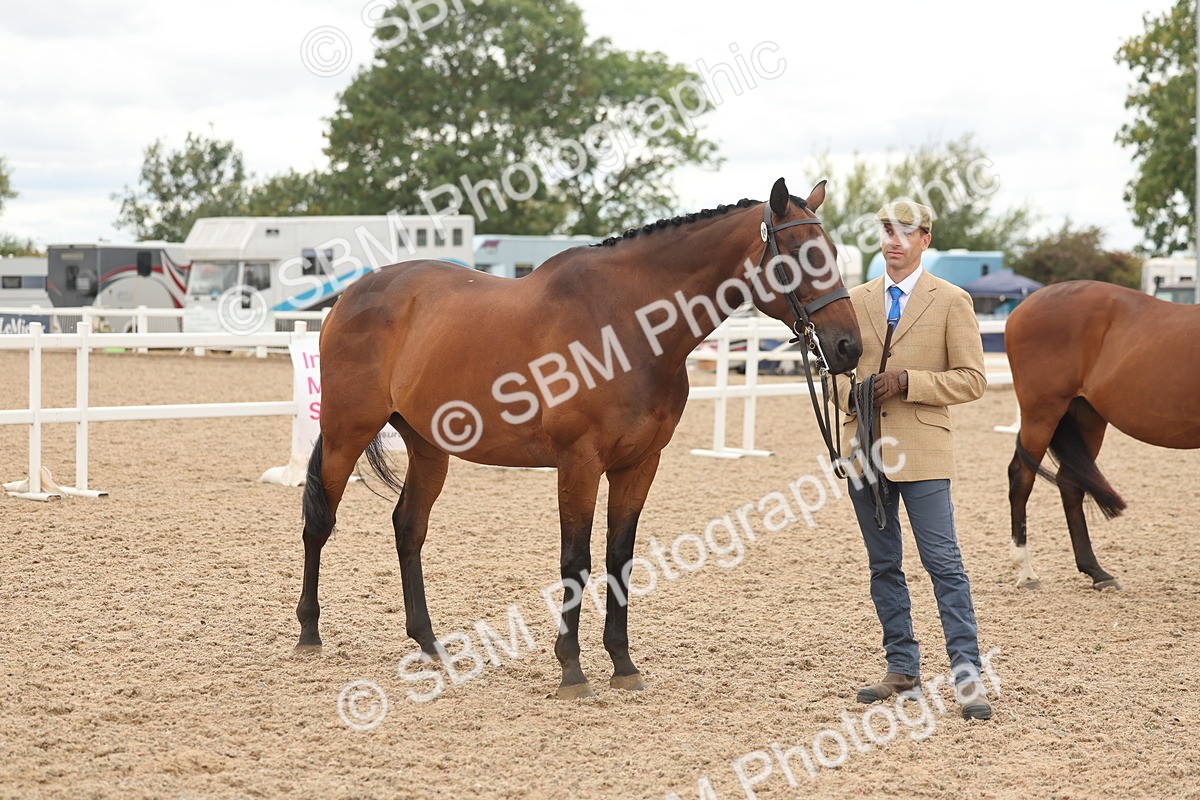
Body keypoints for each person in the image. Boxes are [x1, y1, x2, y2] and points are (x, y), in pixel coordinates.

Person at [838, 199, 991, 720]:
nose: (894, 240)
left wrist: (909, 383)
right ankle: (902, 668)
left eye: (906, 232)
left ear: (925, 240)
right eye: (887, 230)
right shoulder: (853, 300)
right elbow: (832, 375)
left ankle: (967, 677)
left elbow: (972, 379)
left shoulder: (952, 300)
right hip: (866, 452)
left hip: (924, 453)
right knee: (884, 566)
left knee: (944, 564)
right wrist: (854, 393)